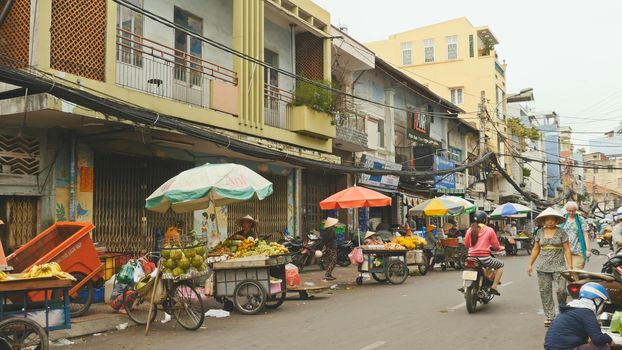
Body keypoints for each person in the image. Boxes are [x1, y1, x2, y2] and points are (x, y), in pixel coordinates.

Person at [528, 207, 573, 327]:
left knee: (561, 291)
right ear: (543, 221)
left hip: (559, 266)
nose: (550, 221)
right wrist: (530, 264)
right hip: (543, 267)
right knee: (545, 292)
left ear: (556, 220)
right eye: (547, 219)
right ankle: (550, 316)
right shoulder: (539, 232)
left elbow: (567, 249)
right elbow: (536, 249)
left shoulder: (562, 232)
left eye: (552, 219)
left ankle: (563, 312)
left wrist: (570, 266)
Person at [544, 282, 614, 350]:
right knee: (603, 347)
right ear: (597, 300)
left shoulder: (571, 308)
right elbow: (598, 339)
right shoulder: (586, 312)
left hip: (551, 347)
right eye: (603, 304)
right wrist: (609, 339)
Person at [463, 211, 504, 295]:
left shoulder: (470, 230)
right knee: (500, 265)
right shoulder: (489, 230)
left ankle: (465, 286)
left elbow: (466, 244)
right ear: (485, 220)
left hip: (471, 257)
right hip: (485, 258)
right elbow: (496, 246)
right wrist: (500, 248)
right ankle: (494, 287)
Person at [561, 201, 590, 269]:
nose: (571, 213)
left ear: (576, 210)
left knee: (576, 272)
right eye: (569, 211)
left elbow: (585, 235)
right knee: (566, 273)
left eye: (573, 211)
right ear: (566, 210)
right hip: (565, 251)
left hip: (578, 251)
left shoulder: (580, 220)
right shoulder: (562, 219)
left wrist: (588, 250)